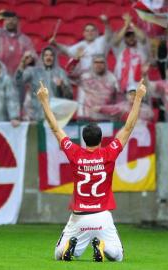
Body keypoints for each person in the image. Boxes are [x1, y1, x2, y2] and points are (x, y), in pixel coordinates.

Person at [36, 79, 147, 262]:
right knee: (118, 256)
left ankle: (69, 249)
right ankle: (103, 249)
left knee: (58, 255)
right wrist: (138, 98)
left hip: (79, 217)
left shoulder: (75, 153)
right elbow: (128, 127)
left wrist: (44, 101)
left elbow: (55, 128)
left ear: (83, 139)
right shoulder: (108, 154)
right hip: (102, 216)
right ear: (101, 139)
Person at [15, 46, 73, 121]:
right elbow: (19, 81)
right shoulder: (34, 71)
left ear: (54, 58)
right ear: (42, 58)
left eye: (51, 55)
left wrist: (62, 86)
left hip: (56, 117)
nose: (48, 57)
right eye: (46, 55)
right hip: (38, 116)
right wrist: (22, 63)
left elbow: (69, 97)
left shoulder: (60, 72)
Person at [0, 10, 36, 76]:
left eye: (13, 19)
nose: (11, 21)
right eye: (8, 19)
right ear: (4, 21)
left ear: (18, 22)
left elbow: (33, 55)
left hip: (16, 78)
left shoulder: (25, 40)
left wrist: (30, 59)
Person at [0, 60, 20, 126]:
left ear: (0, 70)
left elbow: (11, 99)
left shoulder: (6, 80)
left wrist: (14, 117)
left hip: (2, 120)